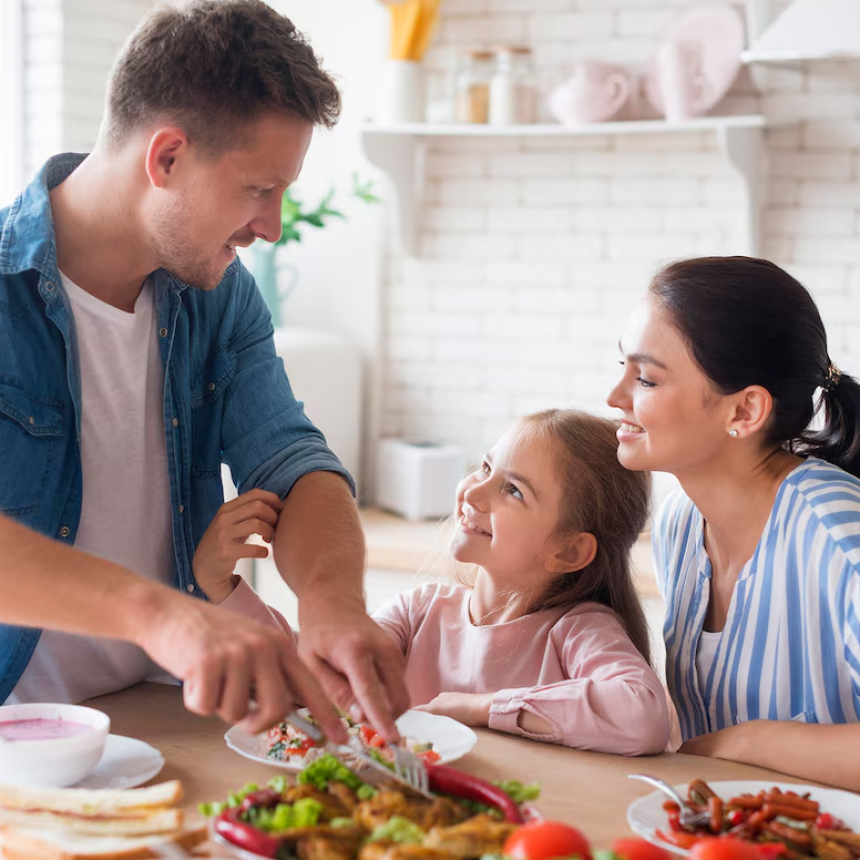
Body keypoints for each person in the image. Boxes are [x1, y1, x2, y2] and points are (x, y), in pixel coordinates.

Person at [0, 0, 408, 741]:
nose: (272, 225)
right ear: (167, 158)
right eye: (259, 189)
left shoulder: (217, 296)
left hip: (163, 717)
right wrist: (161, 615)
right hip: (22, 741)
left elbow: (288, 458)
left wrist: (331, 604)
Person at [608, 255, 860, 791]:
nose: (615, 397)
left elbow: (720, 744)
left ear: (744, 412)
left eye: (647, 379)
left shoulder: (839, 532)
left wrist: (744, 742)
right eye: (623, 369)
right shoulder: (679, 525)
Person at [372, 409, 671, 755]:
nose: (472, 494)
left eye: (513, 491)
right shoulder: (416, 613)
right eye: (484, 468)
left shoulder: (578, 631)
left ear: (569, 550)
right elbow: (339, 665)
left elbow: (644, 716)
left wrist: (482, 709)